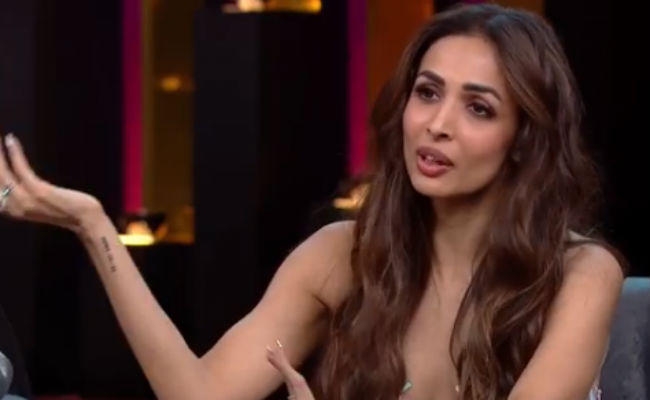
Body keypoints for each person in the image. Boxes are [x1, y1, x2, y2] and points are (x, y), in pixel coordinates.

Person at [0, 4, 624, 400]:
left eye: (478, 108)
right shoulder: (342, 255)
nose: (437, 125)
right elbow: (198, 395)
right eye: (428, 93)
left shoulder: (581, 274)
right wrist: (93, 227)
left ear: (524, 140)